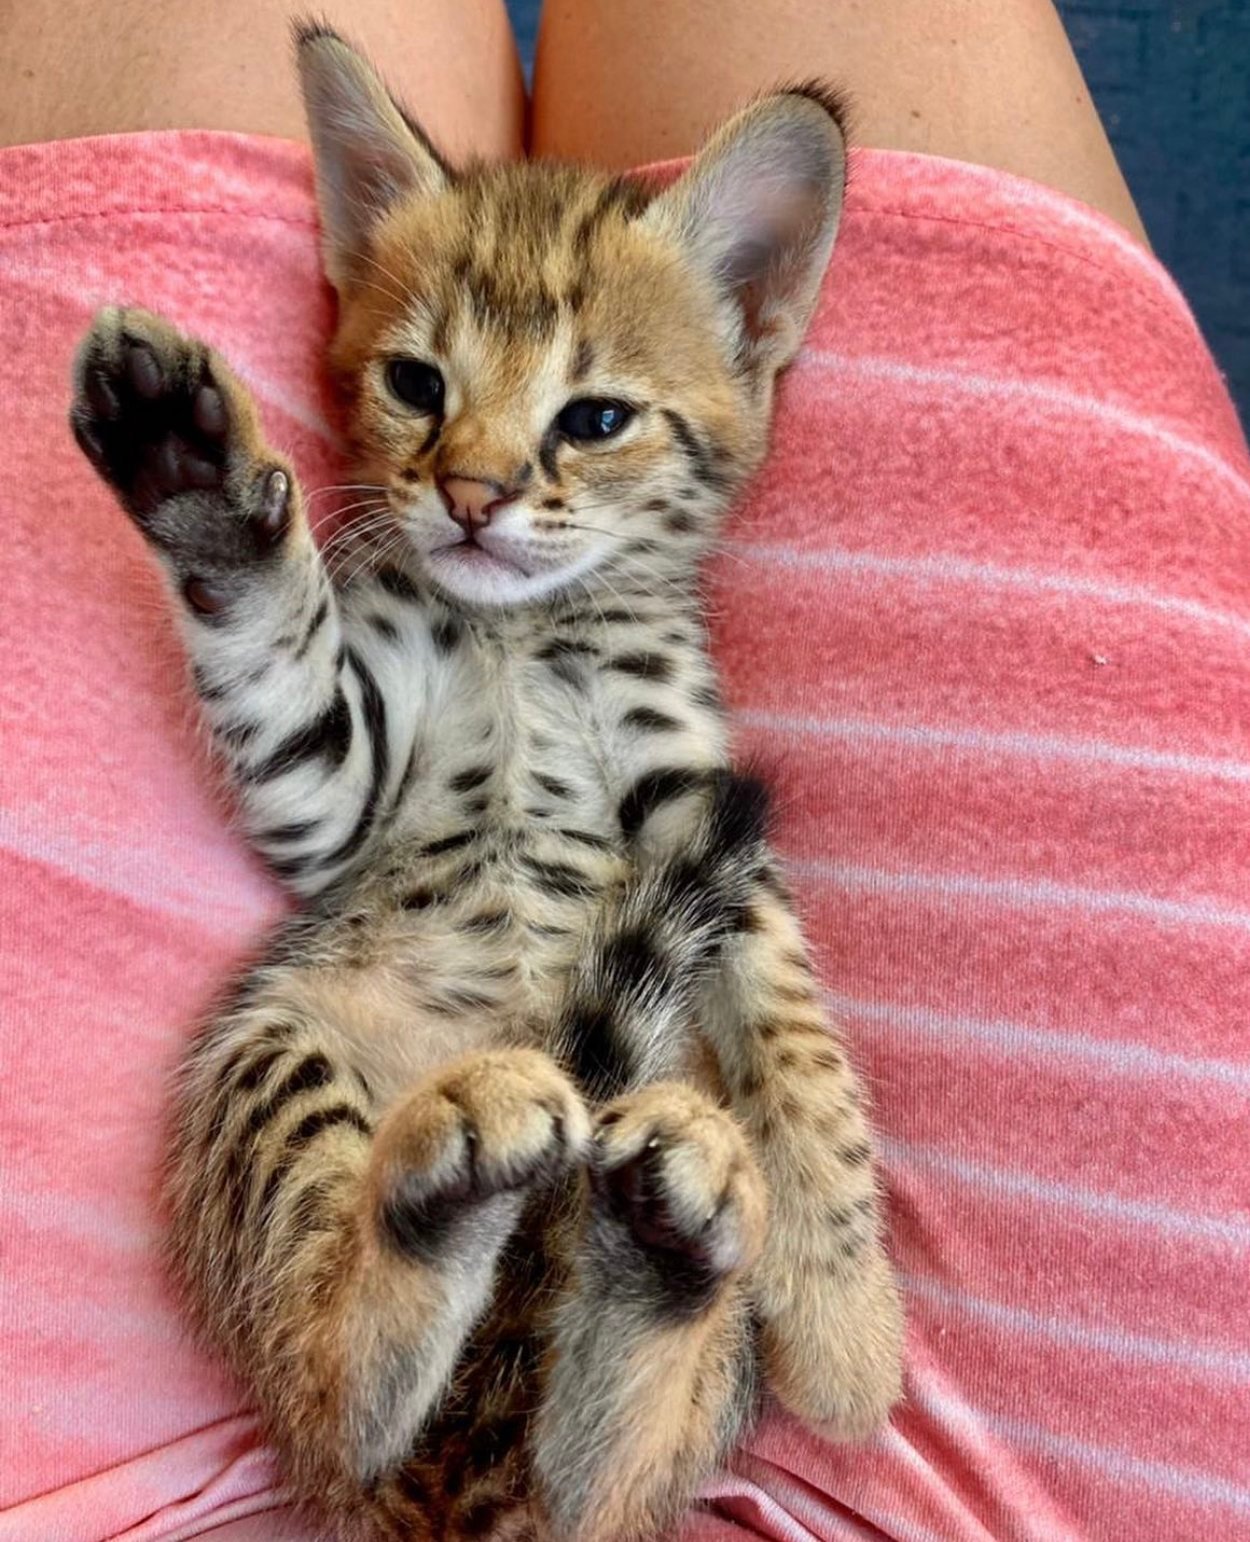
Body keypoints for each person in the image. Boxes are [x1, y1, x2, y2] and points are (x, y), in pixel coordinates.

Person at [2, 4, 1247, 1540]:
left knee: (659, 1092)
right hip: (949, 1471)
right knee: (354, 1057)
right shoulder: (404, 577)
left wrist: (827, 1208)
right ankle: (505, 1311)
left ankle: (516, 1297)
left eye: (587, 420)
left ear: (748, 323)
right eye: (418, 390)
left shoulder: (635, 628)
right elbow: (325, 802)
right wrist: (271, 589)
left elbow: (712, 924)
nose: (479, 486)